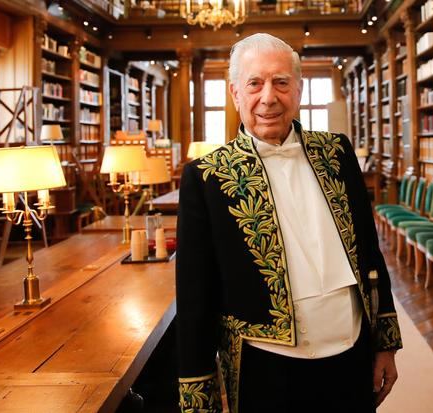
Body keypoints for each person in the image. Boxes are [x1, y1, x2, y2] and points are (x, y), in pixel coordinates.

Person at [176, 33, 402, 413]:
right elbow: (195, 294)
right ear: (235, 94)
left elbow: (368, 251)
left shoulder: (337, 152)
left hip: (351, 353)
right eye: (255, 83)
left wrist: (386, 342)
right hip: (264, 368)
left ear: (297, 90)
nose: (269, 97)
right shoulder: (205, 177)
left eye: (281, 82)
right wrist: (199, 394)